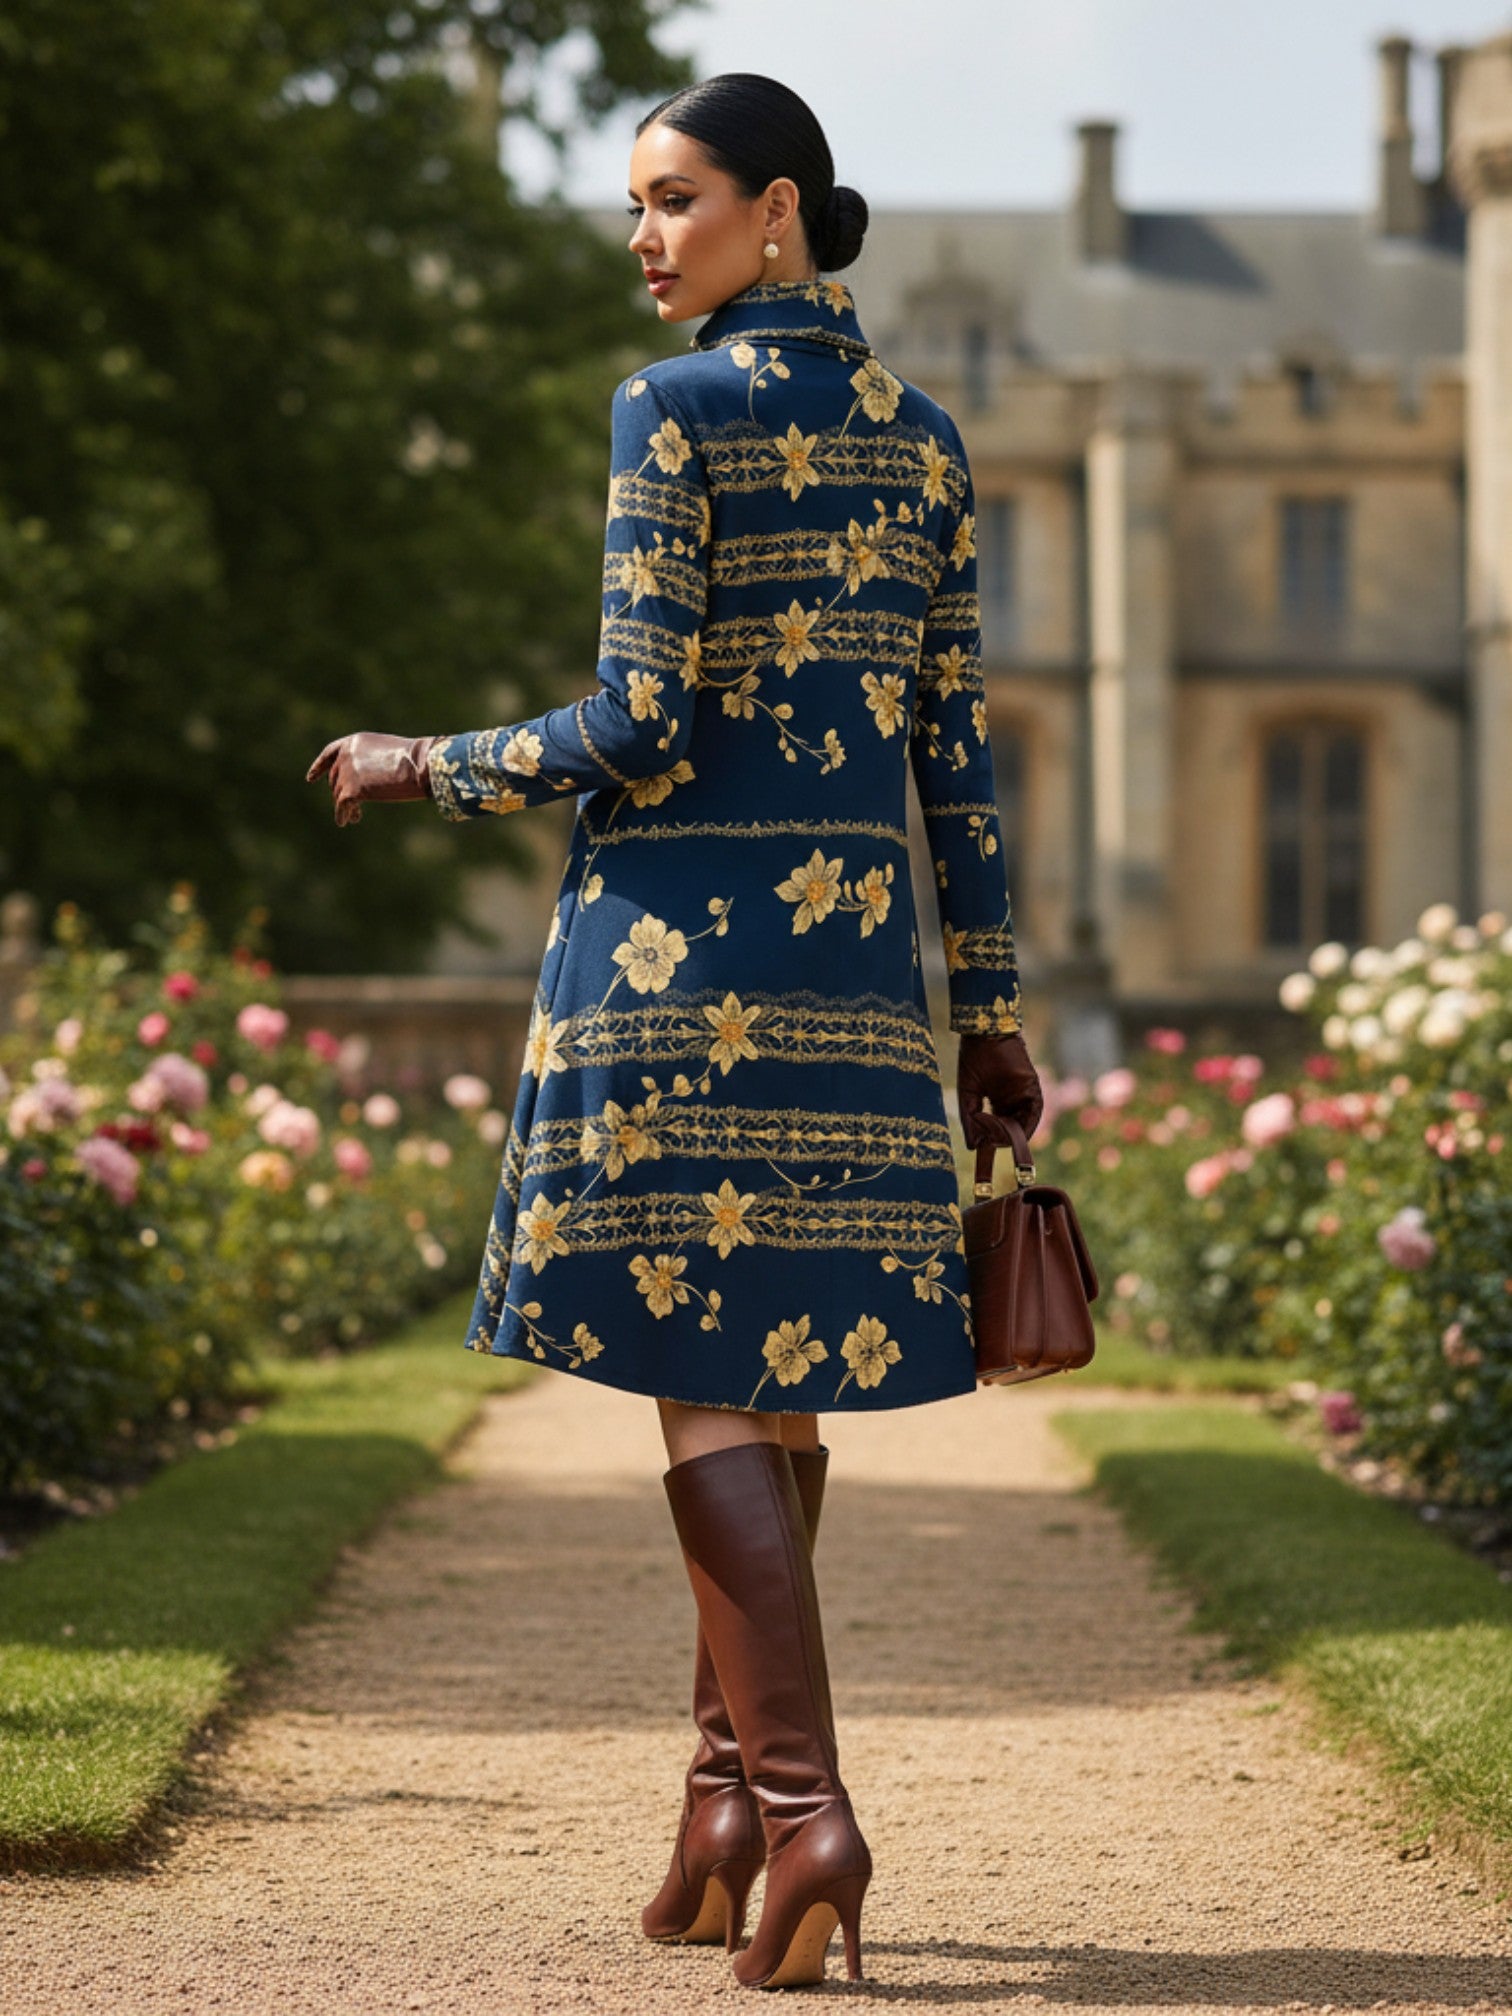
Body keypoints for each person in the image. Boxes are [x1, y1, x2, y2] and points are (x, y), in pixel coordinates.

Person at [307, 72, 1043, 1990]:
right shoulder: (932, 438)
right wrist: (994, 1011)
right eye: (635, 204)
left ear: (775, 211)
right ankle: (726, 1799)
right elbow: (952, 757)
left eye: (675, 199)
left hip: (671, 971)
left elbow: (631, 725)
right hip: (860, 989)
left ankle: (807, 1818)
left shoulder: (672, 408)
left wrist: (424, 761)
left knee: (708, 1374)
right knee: (776, 1366)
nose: (645, 236)